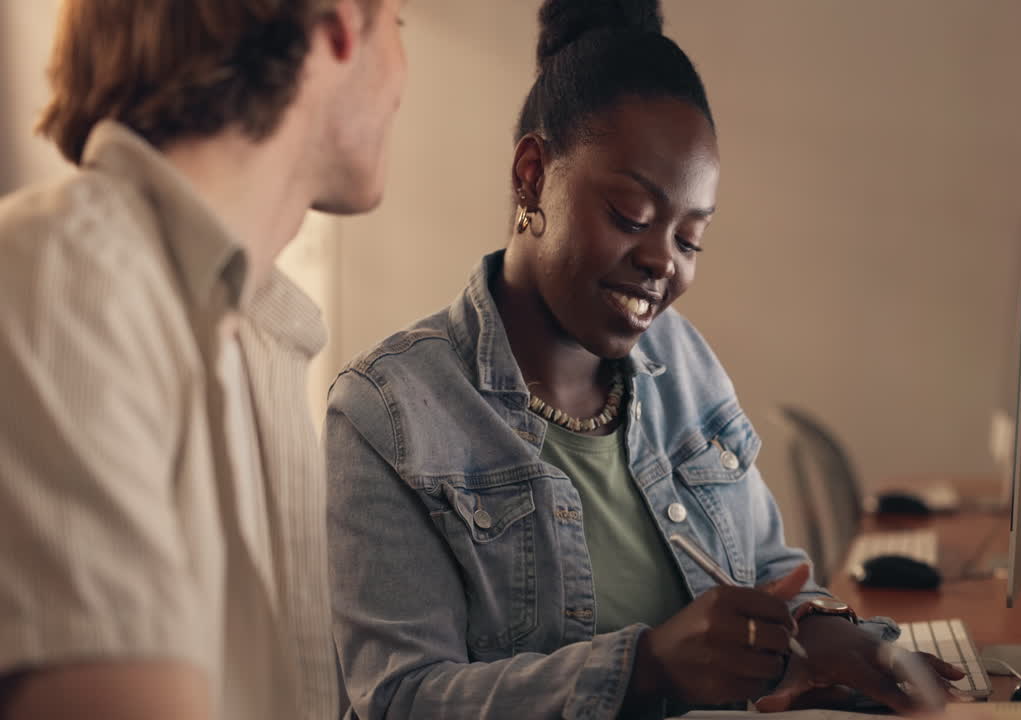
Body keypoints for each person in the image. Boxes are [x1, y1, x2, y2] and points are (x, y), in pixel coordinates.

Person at [326, 1, 963, 717]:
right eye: (631, 216)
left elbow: (767, 568)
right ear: (532, 175)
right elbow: (400, 699)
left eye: (690, 240)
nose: (664, 261)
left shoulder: (680, 359)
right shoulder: (389, 412)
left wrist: (823, 631)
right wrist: (648, 670)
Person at [0, 1, 405, 718]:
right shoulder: (61, 275)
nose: (403, 74)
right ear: (340, 26)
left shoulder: (260, 335)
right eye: (398, 24)